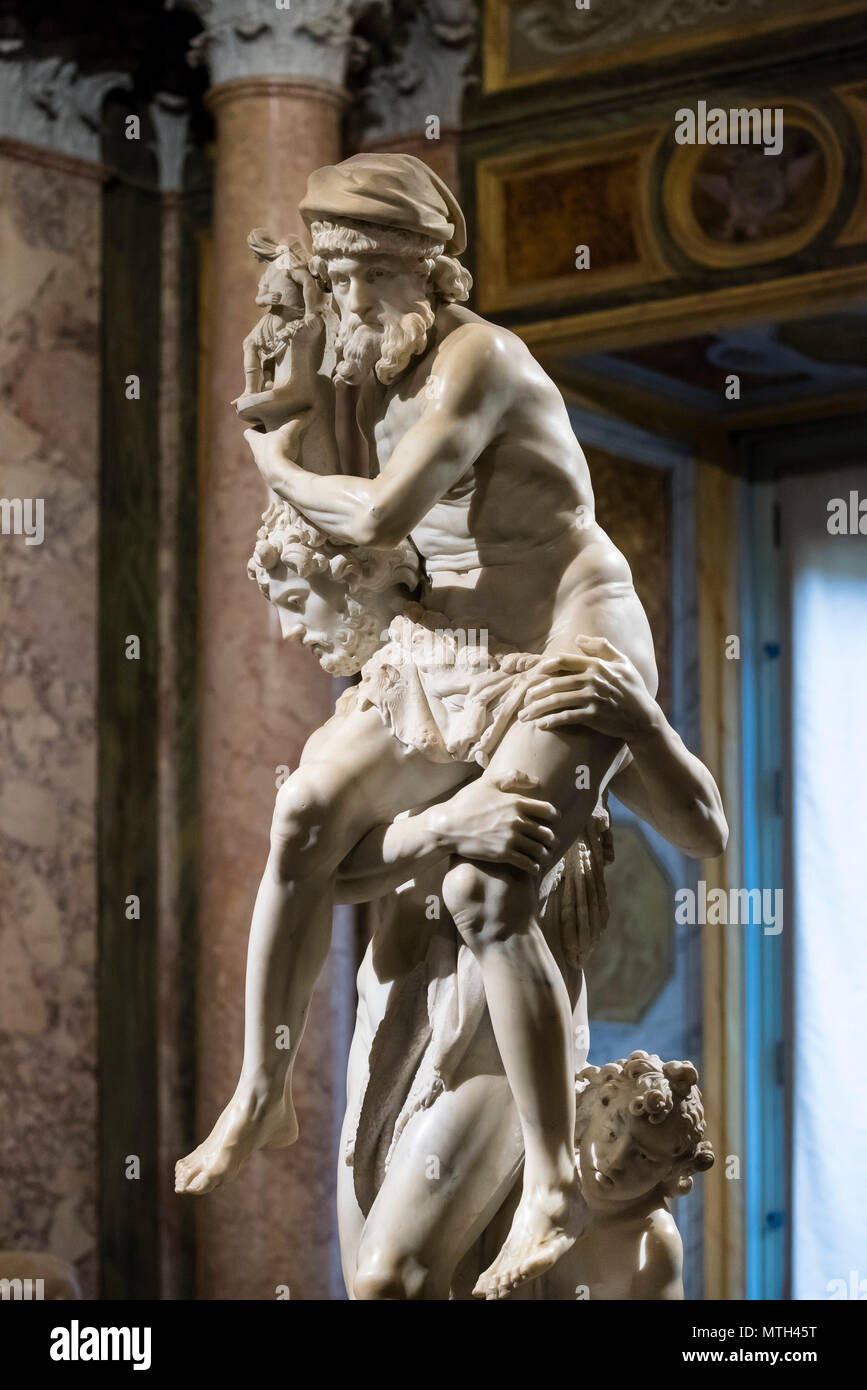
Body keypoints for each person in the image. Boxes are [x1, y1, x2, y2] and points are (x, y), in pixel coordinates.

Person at [177, 153, 727, 1298]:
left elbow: (379, 510)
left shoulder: (478, 358)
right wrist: (281, 384)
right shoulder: (365, 354)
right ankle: (260, 1088)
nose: (351, 300)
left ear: (431, 264)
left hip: (569, 638)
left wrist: (270, 460)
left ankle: (549, 1177)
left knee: (488, 890)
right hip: (455, 640)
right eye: (336, 277)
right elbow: (333, 863)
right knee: (302, 811)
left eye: (370, 275)